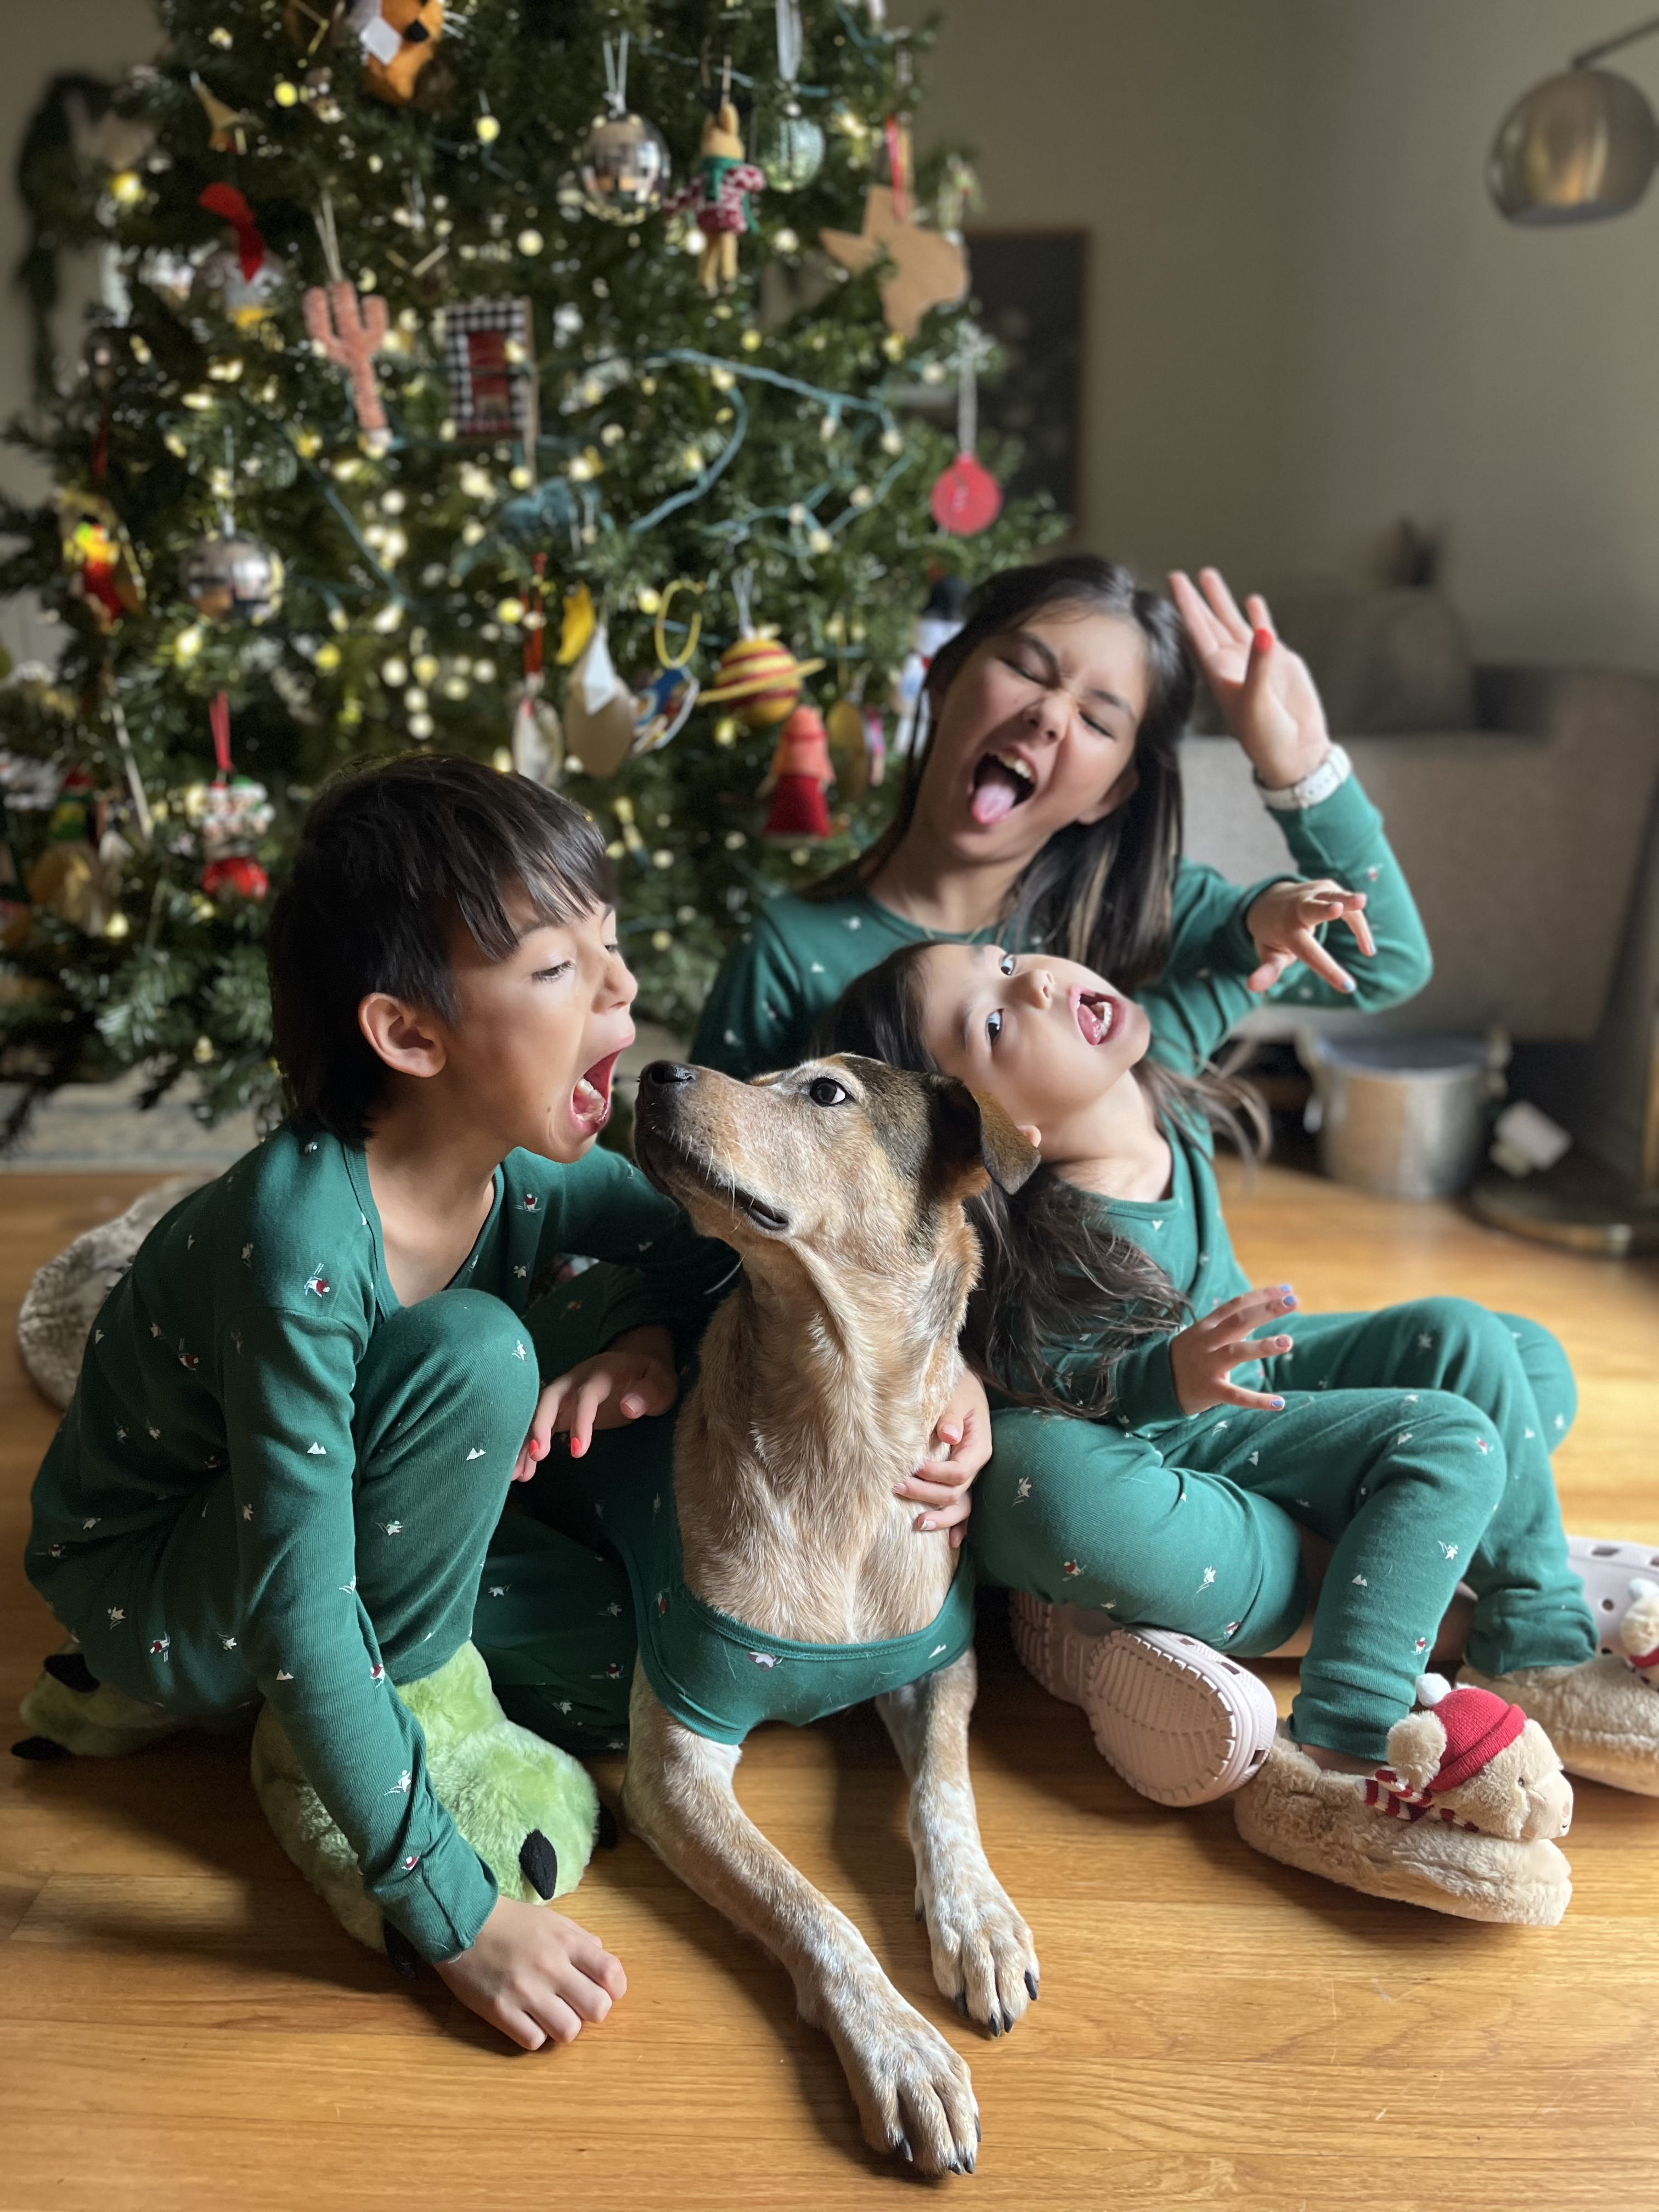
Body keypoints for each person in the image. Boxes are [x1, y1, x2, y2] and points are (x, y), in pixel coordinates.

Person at [818, 936, 1659, 1908]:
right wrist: (1167, 1377)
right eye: (996, 1023)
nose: (1039, 980)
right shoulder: (1055, 1233)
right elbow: (1049, 1381)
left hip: (1250, 1376)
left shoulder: (1141, 1059)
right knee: (1460, 1444)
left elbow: (1328, 944)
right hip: (1168, 1437)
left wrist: (1291, 865)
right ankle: (1339, 1747)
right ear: (990, 1132)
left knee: (1496, 1350)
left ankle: (1512, 1636)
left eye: (1008, 957)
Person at [692, 556, 1433, 1082]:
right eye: (1027, 670)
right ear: (944, 680)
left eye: (1098, 721)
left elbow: (1385, 964)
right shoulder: (789, 951)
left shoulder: (1152, 913)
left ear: (1112, 793)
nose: (1048, 715)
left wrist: (1302, 768)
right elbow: (702, 1205)